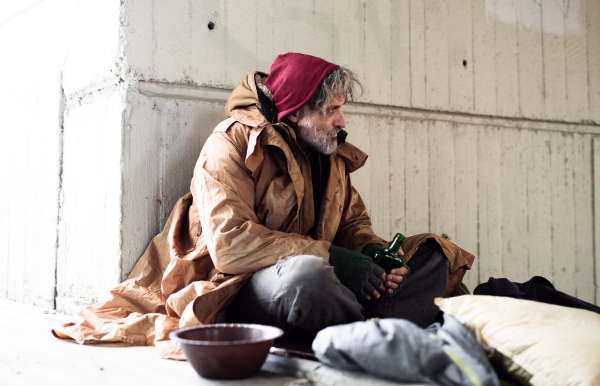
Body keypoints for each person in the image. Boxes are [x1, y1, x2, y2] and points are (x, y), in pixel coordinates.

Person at [52, 53, 474, 359]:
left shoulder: (331, 155)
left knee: (433, 254)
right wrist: (334, 258)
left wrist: (370, 256)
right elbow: (231, 246)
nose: (343, 122)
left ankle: (365, 332)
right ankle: (377, 334)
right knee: (306, 277)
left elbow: (354, 225)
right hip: (237, 287)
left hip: (324, 283)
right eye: (332, 110)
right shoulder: (230, 143)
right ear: (296, 112)